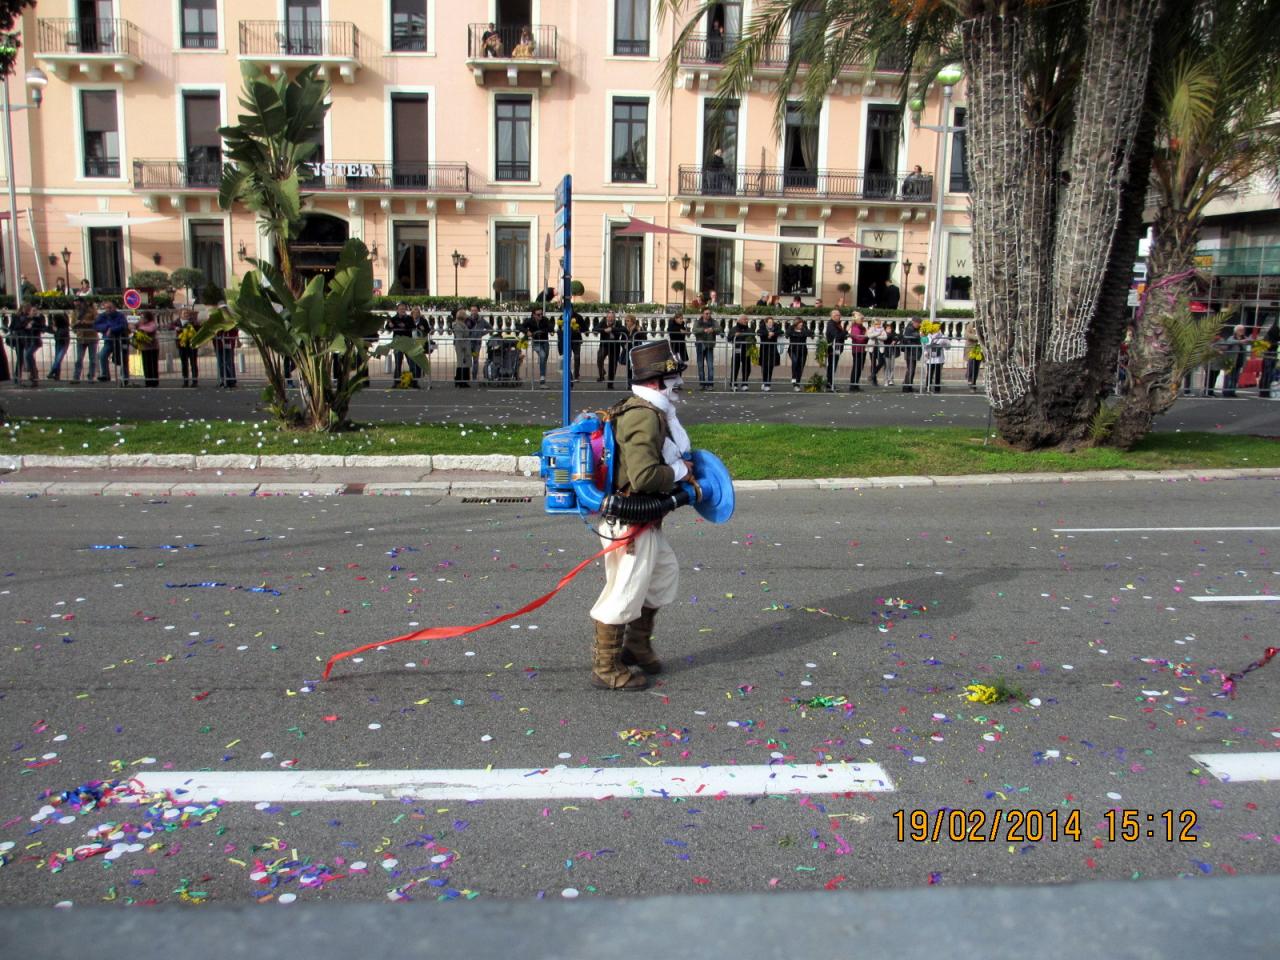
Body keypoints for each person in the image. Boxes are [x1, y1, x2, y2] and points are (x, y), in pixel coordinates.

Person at [588, 340, 694, 691]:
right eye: (672, 378)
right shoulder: (643, 415)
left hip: (645, 520)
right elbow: (645, 476)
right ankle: (606, 667)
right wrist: (681, 472)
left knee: (662, 576)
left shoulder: (651, 410)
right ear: (655, 382)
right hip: (629, 520)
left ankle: (636, 644)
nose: (676, 384)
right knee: (625, 591)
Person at [94, 300, 129, 384]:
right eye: (106, 308)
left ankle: (124, 377)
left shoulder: (120, 315)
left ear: (114, 307)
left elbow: (123, 325)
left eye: (110, 307)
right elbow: (96, 326)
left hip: (120, 340)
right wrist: (107, 327)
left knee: (122, 359)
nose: (108, 310)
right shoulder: (103, 316)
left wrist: (112, 329)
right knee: (102, 355)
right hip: (108, 340)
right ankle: (105, 374)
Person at [387, 303, 417, 387]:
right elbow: (387, 328)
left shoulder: (409, 318)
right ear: (397, 310)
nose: (402, 310)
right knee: (398, 363)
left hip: (408, 343)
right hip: (398, 344)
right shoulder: (393, 318)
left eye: (404, 309)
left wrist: (405, 326)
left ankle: (413, 382)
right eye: (400, 309)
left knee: (411, 363)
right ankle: (396, 382)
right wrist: (389, 326)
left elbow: (413, 327)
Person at [522, 304, 553, 385]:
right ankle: (542, 377)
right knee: (542, 355)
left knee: (544, 358)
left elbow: (551, 327)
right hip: (536, 342)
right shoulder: (529, 321)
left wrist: (542, 331)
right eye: (538, 314)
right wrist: (527, 331)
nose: (540, 316)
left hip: (545, 341)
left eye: (541, 314)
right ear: (534, 315)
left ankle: (542, 373)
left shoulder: (545, 320)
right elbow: (519, 326)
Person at [71, 299, 99, 383]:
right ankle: (76, 377)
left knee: (92, 359)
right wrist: (76, 325)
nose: (77, 303)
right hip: (80, 337)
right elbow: (72, 324)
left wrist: (86, 322)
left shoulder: (92, 310)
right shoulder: (75, 312)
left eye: (78, 302)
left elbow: (97, 321)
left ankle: (91, 376)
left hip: (92, 337)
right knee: (79, 359)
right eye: (75, 302)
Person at [693, 307, 719, 390]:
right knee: (700, 366)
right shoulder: (698, 322)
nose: (708, 315)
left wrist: (713, 330)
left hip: (709, 346)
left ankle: (710, 384)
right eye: (706, 313)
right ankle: (702, 384)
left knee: (710, 366)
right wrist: (703, 330)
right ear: (702, 314)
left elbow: (719, 329)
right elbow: (694, 330)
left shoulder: (713, 322)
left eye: (709, 313)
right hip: (700, 346)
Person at [596, 310, 622, 388]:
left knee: (612, 365)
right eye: (609, 317)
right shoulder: (603, 322)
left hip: (614, 347)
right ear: (607, 317)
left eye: (612, 317)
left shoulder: (618, 323)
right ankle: (602, 375)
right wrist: (604, 330)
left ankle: (610, 384)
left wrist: (612, 329)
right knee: (599, 358)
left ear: (614, 318)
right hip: (604, 345)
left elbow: (623, 330)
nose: (610, 319)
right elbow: (595, 329)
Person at [176, 307, 201, 387]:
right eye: (184, 313)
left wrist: (193, 325)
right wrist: (176, 328)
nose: (186, 314)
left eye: (187, 313)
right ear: (180, 315)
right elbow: (170, 326)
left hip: (191, 344)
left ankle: (194, 381)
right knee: (184, 363)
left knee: (193, 363)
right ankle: (185, 380)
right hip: (182, 345)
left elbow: (198, 328)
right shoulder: (177, 322)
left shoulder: (193, 321)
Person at [556, 306, 583, 382]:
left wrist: (578, 329)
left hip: (576, 340)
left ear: (572, 309)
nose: (568, 311)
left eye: (569, 309)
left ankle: (576, 376)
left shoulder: (578, 317)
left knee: (577, 357)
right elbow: (559, 328)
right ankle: (569, 376)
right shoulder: (561, 317)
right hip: (567, 341)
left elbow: (584, 328)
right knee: (567, 358)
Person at [729, 314, 755, 391]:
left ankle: (745, 383)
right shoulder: (734, 329)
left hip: (746, 350)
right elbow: (729, 338)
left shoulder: (749, 329)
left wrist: (751, 341)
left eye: (747, 319)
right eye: (745, 319)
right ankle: (733, 383)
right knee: (735, 367)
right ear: (739, 320)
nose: (746, 321)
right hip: (737, 350)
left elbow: (753, 339)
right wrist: (735, 335)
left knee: (747, 367)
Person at [134, 312, 161, 387]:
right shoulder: (140, 323)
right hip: (144, 348)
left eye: (144, 318)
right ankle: (148, 381)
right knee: (146, 365)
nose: (142, 319)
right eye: (142, 317)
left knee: (153, 364)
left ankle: (154, 381)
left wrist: (140, 328)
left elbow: (151, 329)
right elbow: (132, 327)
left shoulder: (152, 323)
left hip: (153, 347)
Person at [213, 313, 238, 388]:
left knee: (229, 362)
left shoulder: (231, 321)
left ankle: (231, 380)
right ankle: (223, 380)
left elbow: (235, 331)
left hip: (228, 344)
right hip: (218, 345)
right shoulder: (215, 322)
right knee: (220, 363)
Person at [899, 316, 923, 392]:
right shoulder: (909, 329)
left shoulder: (915, 329)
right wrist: (918, 335)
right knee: (910, 369)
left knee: (912, 369)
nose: (919, 324)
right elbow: (907, 339)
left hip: (913, 351)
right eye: (918, 323)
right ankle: (906, 386)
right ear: (914, 322)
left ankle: (909, 385)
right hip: (910, 351)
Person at [923, 325, 950, 393]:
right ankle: (927, 387)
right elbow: (924, 344)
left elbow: (948, 347)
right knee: (929, 373)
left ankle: (937, 388)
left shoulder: (942, 336)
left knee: (938, 374)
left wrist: (945, 343)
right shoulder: (928, 335)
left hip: (939, 358)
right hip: (930, 358)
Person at [824, 309, 846, 391]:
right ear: (833, 316)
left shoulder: (836, 324)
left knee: (833, 366)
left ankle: (830, 383)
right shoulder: (831, 324)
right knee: (832, 366)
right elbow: (837, 336)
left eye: (840, 315)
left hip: (837, 348)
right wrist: (845, 331)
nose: (840, 317)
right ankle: (830, 383)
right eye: (838, 315)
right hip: (832, 348)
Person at [467, 306, 490, 383]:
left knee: (475, 360)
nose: (473, 312)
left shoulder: (481, 320)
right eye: (472, 310)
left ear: (478, 311)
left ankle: (474, 377)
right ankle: (466, 377)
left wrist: (481, 334)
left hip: (477, 343)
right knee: (467, 360)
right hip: (469, 343)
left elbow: (490, 328)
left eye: (475, 310)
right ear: (470, 311)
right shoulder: (467, 320)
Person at [47, 307, 71, 380]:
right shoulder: (56, 326)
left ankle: (52, 371)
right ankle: (57, 375)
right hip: (58, 342)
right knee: (57, 358)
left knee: (59, 358)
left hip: (64, 342)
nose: (53, 322)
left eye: (54, 321)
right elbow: (49, 326)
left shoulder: (64, 327)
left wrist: (56, 330)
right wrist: (49, 316)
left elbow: (61, 333)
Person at [758, 316, 781, 391]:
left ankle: (768, 383)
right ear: (766, 323)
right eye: (769, 322)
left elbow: (781, 332)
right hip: (764, 350)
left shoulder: (776, 328)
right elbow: (759, 332)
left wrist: (773, 334)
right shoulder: (762, 328)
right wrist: (768, 333)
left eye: (772, 322)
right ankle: (764, 382)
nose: (771, 324)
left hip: (772, 350)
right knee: (764, 367)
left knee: (770, 367)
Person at [847, 311, 868, 391]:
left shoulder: (862, 327)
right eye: (861, 319)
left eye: (863, 319)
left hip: (862, 349)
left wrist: (866, 336)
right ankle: (853, 385)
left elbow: (864, 339)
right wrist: (866, 336)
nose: (863, 320)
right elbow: (859, 339)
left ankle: (856, 384)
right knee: (856, 367)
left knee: (859, 367)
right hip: (857, 350)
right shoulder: (855, 327)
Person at [787, 316, 810, 389]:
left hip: (803, 351)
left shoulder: (804, 329)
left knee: (800, 367)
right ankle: (793, 377)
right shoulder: (791, 329)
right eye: (799, 324)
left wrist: (804, 331)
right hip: (793, 350)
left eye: (802, 324)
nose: (801, 325)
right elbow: (787, 334)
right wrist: (797, 333)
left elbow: (810, 333)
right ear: (796, 324)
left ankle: (797, 383)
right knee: (795, 361)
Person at [1258, 320, 1278, 399]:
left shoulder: (1267, 337)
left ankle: (1264, 391)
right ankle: (1265, 391)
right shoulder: (1272, 339)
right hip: (1269, 358)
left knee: (1266, 375)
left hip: (1267, 358)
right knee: (1268, 375)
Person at [452, 308, 472, 387]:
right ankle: (460, 381)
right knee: (462, 363)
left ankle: (463, 380)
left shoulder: (462, 324)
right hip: (461, 346)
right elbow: (460, 338)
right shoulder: (458, 325)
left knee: (464, 363)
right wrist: (463, 347)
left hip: (464, 346)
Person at [866, 316, 887, 386]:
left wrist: (876, 336)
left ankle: (872, 374)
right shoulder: (871, 329)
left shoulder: (882, 329)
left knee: (881, 362)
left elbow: (885, 337)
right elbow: (869, 336)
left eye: (879, 324)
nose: (878, 325)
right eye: (877, 324)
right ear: (873, 324)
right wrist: (878, 334)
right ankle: (874, 380)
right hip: (872, 348)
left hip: (879, 348)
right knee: (873, 363)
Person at [621, 314, 641, 385]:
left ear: (633, 321)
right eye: (626, 321)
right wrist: (624, 345)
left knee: (636, 367)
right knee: (629, 367)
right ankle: (629, 383)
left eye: (628, 321)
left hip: (636, 351)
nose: (627, 322)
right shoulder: (625, 329)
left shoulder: (637, 329)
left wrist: (639, 331)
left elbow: (643, 337)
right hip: (628, 350)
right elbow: (622, 340)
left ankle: (637, 382)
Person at [964, 324, 983, 392]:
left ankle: (973, 383)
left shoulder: (983, 324)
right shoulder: (970, 325)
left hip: (979, 350)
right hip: (971, 349)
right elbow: (966, 335)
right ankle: (970, 381)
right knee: (971, 365)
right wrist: (977, 337)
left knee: (976, 367)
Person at [882, 321, 900, 386]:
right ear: (885, 329)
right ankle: (886, 380)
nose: (889, 330)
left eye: (890, 328)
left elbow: (898, 337)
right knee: (887, 366)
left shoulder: (893, 333)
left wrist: (894, 341)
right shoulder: (884, 334)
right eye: (887, 328)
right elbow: (886, 338)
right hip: (886, 352)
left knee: (892, 366)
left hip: (892, 352)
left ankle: (891, 379)